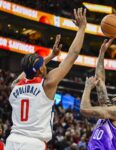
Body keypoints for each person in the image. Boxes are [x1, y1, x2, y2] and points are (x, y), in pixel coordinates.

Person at [5, 8, 87, 150]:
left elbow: (24, 75)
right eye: (43, 62)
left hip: (12, 141)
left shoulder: (15, 87)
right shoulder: (47, 84)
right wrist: (82, 28)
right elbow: (72, 55)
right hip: (33, 143)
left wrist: (50, 56)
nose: (45, 62)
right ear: (41, 69)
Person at [80, 39, 116, 150]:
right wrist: (101, 53)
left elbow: (84, 109)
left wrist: (87, 87)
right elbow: (100, 80)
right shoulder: (112, 110)